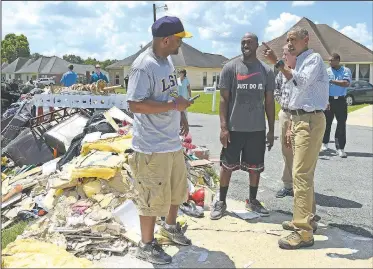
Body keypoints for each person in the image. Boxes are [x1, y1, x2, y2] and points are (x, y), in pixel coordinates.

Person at [126, 16, 193, 265]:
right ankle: (146, 244)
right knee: (151, 199)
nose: (180, 45)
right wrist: (174, 105)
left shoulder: (167, 62)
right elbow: (135, 105)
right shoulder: (144, 66)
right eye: (178, 40)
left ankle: (170, 228)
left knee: (176, 192)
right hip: (151, 146)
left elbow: (173, 92)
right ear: (166, 40)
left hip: (171, 142)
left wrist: (181, 112)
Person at [263, 26, 329, 249]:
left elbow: (299, 82)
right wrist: (290, 123)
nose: (289, 44)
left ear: (306, 39)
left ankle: (303, 232)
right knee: (302, 172)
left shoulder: (313, 59)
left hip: (310, 121)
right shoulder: (299, 60)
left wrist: (277, 63)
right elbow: (293, 96)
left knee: (300, 174)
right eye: (287, 40)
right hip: (300, 119)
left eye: (293, 40)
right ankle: (308, 218)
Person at [210, 32, 276, 220]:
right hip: (234, 128)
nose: (245, 45)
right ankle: (221, 201)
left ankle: (252, 200)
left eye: (249, 42)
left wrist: (271, 130)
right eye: (243, 42)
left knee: (255, 168)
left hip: (256, 129)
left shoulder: (266, 71)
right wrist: (223, 127)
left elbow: (270, 102)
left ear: (257, 46)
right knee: (226, 166)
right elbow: (223, 99)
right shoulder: (231, 68)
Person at [274, 45, 297, 198]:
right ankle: (288, 185)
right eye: (282, 54)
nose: (283, 56)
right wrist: (283, 104)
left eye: (285, 54)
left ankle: (300, 186)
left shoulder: (301, 72)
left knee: (301, 151)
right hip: (285, 113)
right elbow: (276, 90)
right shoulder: (280, 74)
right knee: (286, 150)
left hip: (300, 115)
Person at [322, 53, 351, 158]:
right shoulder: (327, 71)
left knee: (341, 124)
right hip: (329, 100)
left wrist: (331, 81)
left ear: (338, 60)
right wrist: (325, 100)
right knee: (326, 123)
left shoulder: (346, 71)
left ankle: (340, 148)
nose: (330, 62)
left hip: (341, 100)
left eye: (332, 60)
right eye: (329, 60)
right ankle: (324, 143)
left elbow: (345, 83)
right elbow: (324, 87)